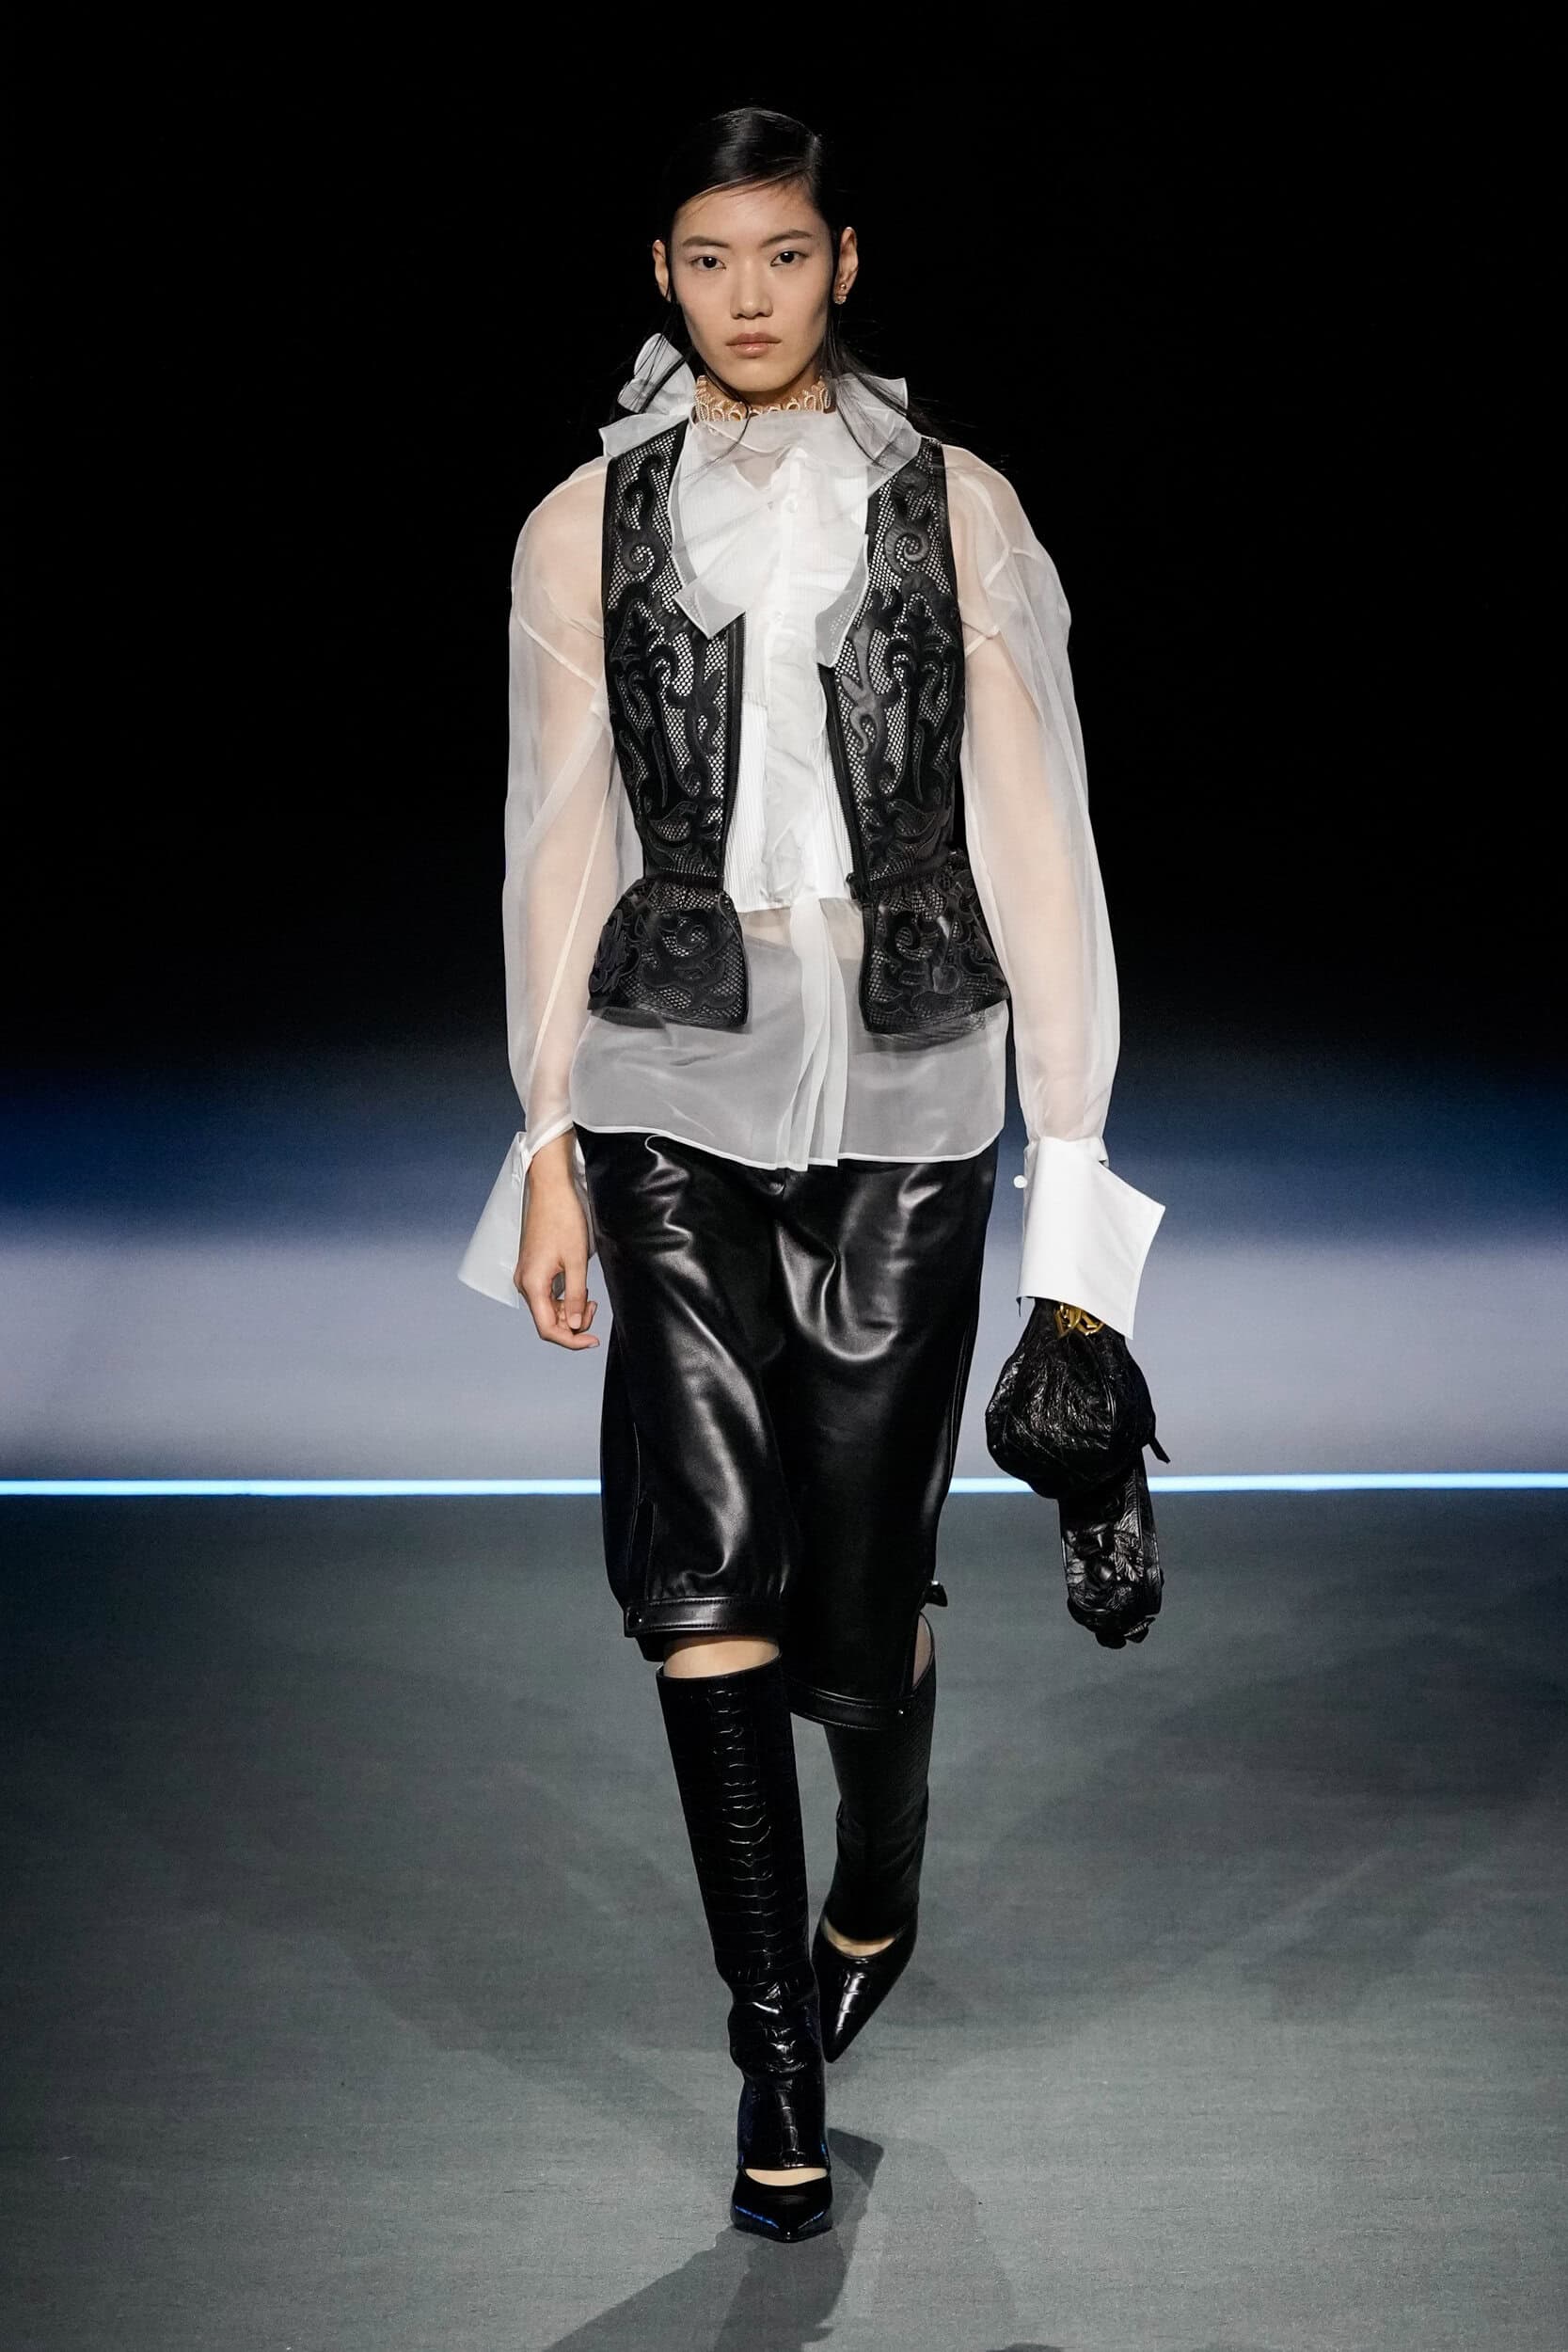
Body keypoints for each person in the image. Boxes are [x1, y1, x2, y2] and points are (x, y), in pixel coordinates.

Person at [458, 105, 1165, 2243]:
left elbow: (1039, 832)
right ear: (661, 275)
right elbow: (557, 836)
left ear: (844, 262)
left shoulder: (962, 506)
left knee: (859, 1612)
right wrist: (548, 1139)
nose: (746, 295)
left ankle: (878, 1881)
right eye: (708, 259)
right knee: (707, 1568)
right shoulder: (579, 526)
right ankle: (772, 2045)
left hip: (912, 1082)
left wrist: (1072, 1179)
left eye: (782, 254)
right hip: (669, 1072)